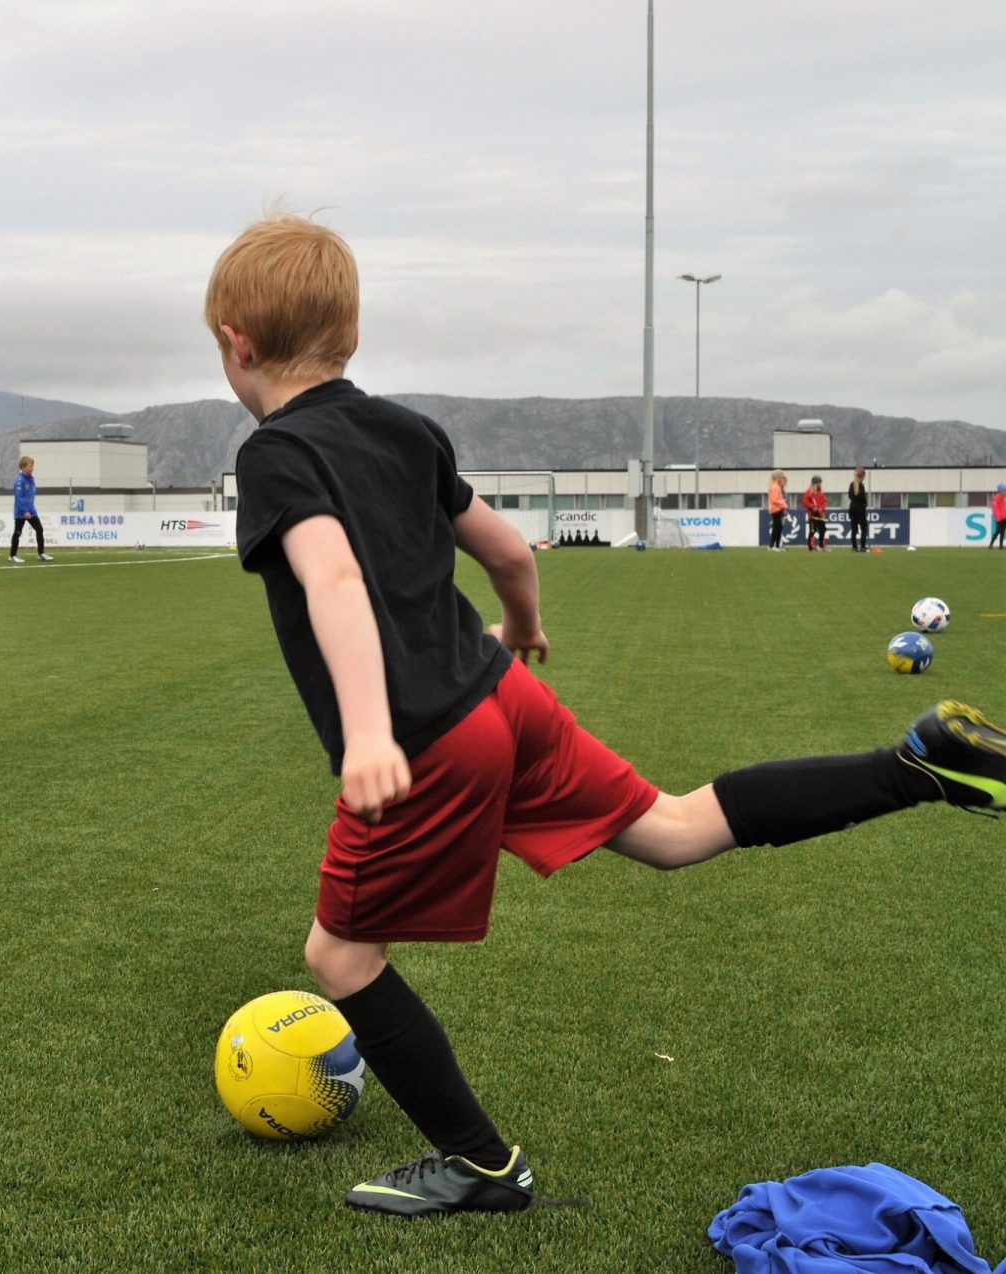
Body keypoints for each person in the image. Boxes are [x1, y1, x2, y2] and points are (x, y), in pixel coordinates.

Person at [209, 214, 1006, 1217]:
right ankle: (918, 764)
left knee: (340, 957)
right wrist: (520, 625)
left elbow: (331, 573)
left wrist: (367, 730)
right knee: (674, 829)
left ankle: (481, 1163)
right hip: (501, 694)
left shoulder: (276, 453)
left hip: (424, 739)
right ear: (352, 337)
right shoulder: (404, 428)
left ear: (236, 340)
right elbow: (508, 552)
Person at [8, 456, 53, 564]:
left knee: (40, 529)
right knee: (17, 533)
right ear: (23, 467)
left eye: (32, 466)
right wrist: (24, 511)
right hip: (21, 512)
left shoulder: (31, 479)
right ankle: (12, 555)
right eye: (30, 466)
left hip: (31, 511)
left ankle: (41, 553)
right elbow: (19, 498)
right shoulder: (20, 481)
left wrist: (30, 510)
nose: (32, 468)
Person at [802, 476, 828, 551]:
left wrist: (821, 508)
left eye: (820, 483)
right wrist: (813, 507)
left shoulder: (821, 492)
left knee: (823, 529)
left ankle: (821, 545)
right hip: (813, 515)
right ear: (815, 483)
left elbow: (824, 502)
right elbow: (805, 502)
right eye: (819, 483)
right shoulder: (809, 492)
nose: (820, 485)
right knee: (812, 530)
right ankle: (810, 547)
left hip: (820, 515)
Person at [847, 468, 870, 552]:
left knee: (854, 529)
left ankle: (854, 547)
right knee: (863, 528)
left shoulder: (851, 484)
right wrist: (865, 504)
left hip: (852, 508)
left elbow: (850, 496)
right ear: (862, 476)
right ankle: (863, 547)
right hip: (860, 509)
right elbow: (863, 498)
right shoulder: (861, 485)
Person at [766, 471, 788, 552]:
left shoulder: (776, 486)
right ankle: (771, 546)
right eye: (782, 477)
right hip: (776, 509)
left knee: (778, 528)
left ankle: (776, 546)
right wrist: (784, 504)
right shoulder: (775, 487)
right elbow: (775, 500)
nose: (783, 478)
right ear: (778, 477)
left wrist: (782, 504)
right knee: (776, 528)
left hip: (777, 509)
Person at [990, 484, 1006, 549]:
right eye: (1004, 490)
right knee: (998, 531)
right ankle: (991, 544)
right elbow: (995, 509)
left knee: (1002, 531)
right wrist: (998, 518)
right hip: (1000, 518)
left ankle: (1000, 545)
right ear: (1001, 491)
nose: (1005, 492)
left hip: (1004, 517)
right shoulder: (997, 498)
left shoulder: (1003, 498)